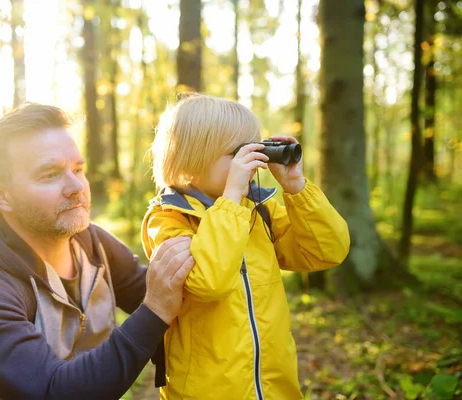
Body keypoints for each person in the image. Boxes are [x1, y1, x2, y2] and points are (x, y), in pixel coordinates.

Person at [0, 103, 195, 399]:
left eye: (78, 169)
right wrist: (156, 308)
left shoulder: (89, 241)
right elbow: (55, 391)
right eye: (49, 175)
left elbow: (157, 293)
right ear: (2, 195)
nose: (76, 187)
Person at [141, 93, 351, 399]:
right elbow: (208, 282)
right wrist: (232, 199)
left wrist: (296, 189)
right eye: (239, 152)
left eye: (258, 147)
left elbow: (328, 250)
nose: (254, 159)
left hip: (275, 386)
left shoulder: (259, 211)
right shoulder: (169, 219)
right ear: (194, 156)